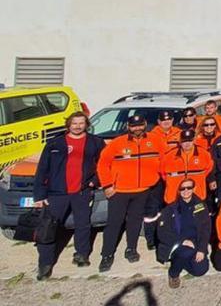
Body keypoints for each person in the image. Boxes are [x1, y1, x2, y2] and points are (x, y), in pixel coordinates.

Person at [33, 112, 105, 279]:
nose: (78, 126)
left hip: (82, 191)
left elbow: (104, 164)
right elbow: (42, 169)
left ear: (86, 124)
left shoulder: (96, 142)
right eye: (74, 123)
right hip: (57, 192)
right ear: (68, 125)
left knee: (83, 224)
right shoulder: (55, 143)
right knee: (48, 227)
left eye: (81, 123)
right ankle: (45, 263)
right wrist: (39, 195)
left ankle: (82, 254)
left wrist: (95, 180)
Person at [96, 114, 163, 272]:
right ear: (128, 127)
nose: (137, 128)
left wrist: (156, 178)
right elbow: (102, 165)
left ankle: (131, 249)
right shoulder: (117, 143)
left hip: (143, 190)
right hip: (120, 191)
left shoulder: (155, 140)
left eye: (140, 125)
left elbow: (164, 159)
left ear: (145, 124)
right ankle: (107, 255)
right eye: (134, 126)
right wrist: (107, 186)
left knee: (134, 222)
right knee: (114, 223)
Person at [156, 178, 210, 288]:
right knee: (185, 252)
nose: (186, 191)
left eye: (189, 188)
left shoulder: (201, 207)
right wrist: (182, 241)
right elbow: (162, 232)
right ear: (178, 190)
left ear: (193, 189)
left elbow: (206, 229)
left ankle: (180, 262)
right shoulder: (170, 209)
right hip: (176, 242)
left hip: (195, 243)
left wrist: (202, 249)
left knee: (201, 270)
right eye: (182, 188)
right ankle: (173, 273)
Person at [159, 128, 215, 205]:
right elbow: (163, 173)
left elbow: (208, 169)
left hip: (197, 195)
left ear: (194, 140)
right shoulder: (169, 156)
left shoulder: (204, 154)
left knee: (197, 216)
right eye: (184, 141)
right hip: (174, 197)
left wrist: (198, 178)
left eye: (190, 140)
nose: (187, 143)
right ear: (180, 142)